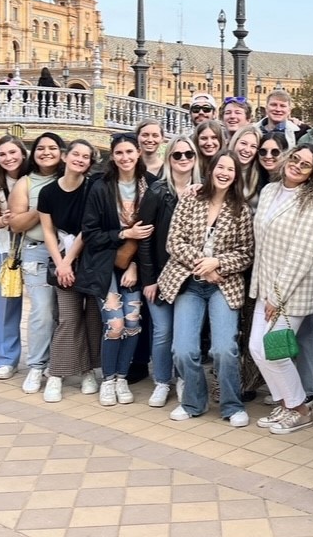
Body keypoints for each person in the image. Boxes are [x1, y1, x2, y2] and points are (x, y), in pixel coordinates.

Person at [159, 149, 255, 425]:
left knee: (224, 349)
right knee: (183, 349)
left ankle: (232, 405)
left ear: (236, 176)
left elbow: (246, 253)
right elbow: (174, 241)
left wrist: (218, 264)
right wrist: (204, 264)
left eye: (231, 169)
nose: (224, 173)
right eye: (220, 167)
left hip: (223, 285)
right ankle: (193, 401)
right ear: (211, 170)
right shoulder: (191, 199)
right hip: (188, 282)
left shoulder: (241, 209)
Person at [249, 144, 313, 434]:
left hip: (292, 292)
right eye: (294, 158)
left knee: (275, 351)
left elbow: (301, 254)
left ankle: (301, 409)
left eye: (305, 164)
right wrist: (266, 290)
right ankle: (286, 403)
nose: (297, 165)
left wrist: (277, 296)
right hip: (266, 285)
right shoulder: (269, 191)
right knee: (257, 348)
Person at [79, 133, 157, 407]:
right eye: (119, 153)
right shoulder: (100, 186)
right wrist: (124, 233)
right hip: (103, 265)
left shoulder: (152, 186)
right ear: (112, 156)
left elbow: (154, 233)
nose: (125, 158)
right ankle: (108, 379)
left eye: (129, 152)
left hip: (135, 266)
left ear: (138, 153)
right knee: (115, 325)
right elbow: (90, 233)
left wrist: (135, 263)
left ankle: (122, 377)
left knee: (133, 324)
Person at [139, 135, 201, 408]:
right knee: (163, 331)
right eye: (177, 155)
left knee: (186, 334)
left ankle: (185, 378)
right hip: (162, 275)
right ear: (169, 159)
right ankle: (163, 380)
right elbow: (145, 237)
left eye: (188, 154)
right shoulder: (157, 191)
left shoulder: (204, 192)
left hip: (190, 276)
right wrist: (149, 279)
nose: (184, 159)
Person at [37, 139, 99, 403]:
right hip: (62, 259)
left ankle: (87, 370)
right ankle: (57, 373)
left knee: (94, 318)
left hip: (92, 259)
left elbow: (89, 227)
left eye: (86, 157)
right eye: (76, 154)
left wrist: (69, 259)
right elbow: (48, 230)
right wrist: (60, 262)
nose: (80, 159)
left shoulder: (94, 188)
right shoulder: (48, 192)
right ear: (65, 157)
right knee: (69, 318)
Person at [8, 132, 65, 396]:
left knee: (66, 313)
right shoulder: (25, 183)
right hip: (37, 253)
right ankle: (36, 365)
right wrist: (43, 206)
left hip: (68, 254)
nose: (46, 152)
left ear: (62, 152)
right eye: (40, 148)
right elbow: (16, 224)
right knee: (42, 311)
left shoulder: (71, 178)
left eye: (52, 147)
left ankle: (61, 364)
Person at [0, 134, 27, 380]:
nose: (8, 158)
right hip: (7, 251)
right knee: (5, 305)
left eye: (13, 153)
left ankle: (49, 357)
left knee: (46, 306)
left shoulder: (35, 178)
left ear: (22, 153)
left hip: (37, 247)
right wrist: (4, 220)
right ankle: (5, 358)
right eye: (2, 154)